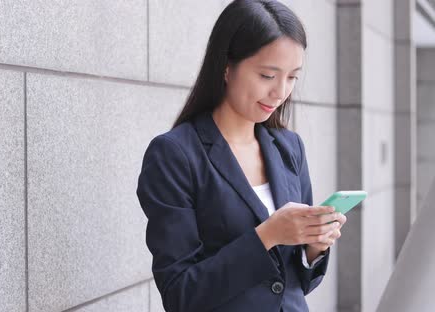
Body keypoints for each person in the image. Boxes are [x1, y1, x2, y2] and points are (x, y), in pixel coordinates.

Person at [136, 1, 347, 311]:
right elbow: (181, 294)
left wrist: (313, 247)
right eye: (267, 75)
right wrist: (267, 236)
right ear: (226, 67)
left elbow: (298, 283)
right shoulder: (175, 155)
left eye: (292, 78)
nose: (280, 92)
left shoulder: (290, 148)